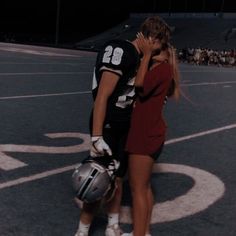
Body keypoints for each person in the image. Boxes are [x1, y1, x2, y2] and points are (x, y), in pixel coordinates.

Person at [74, 16, 171, 236]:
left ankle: (112, 225)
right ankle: (82, 230)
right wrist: (97, 136)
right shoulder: (121, 50)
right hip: (107, 123)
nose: (161, 49)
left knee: (117, 177)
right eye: (160, 43)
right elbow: (102, 97)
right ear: (152, 38)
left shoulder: (143, 59)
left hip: (125, 126)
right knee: (99, 178)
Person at [124, 34, 180, 236]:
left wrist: (146, 55)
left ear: (165, 55)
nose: (151, 49)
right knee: (145, 186)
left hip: (145, 134)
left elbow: (140, 86)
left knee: (137, 188)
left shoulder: (163, 69)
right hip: (150, 132)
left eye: (156, 49)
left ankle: (139, 234)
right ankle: (144, 231)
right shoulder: (161, 69)